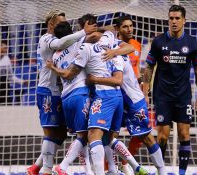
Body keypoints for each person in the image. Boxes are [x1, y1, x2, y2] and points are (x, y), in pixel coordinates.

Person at [46, 27, 148, 175]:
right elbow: (126, 44)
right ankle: (128, 168)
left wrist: (52, 68)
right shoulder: (111, 46)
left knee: (90, 135)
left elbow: (68, 74)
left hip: (93, 96)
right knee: (105, 138)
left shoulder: (75, 50)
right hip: (113, 97)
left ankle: (68, 168)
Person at [26, 9, 97, 175]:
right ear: (51, 24)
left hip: (60, 92)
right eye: (60, 23)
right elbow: (60, 44)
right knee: (51, 131)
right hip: (47, 91)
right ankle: (46, 169)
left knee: (61, 133)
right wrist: (83, 32)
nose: (64, 26)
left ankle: (37, 166)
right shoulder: (47, 39)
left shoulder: (62, 46)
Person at [88, 38, 166, 175]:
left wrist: (94, 79)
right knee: (107, 136)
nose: (129, 29)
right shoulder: (113, 49)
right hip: (118, 101)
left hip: (133, 102)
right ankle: (120, 169)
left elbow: (118, 80)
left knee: (147, 138)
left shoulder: (116, 56)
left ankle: (162, 170)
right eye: (125, 26)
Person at [143, 4, 197, 175]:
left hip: (183, 96)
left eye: (177, 18)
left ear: (184, 20)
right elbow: (149, 68)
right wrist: (145, 92)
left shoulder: (192, 42)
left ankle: (182, 173)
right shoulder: (159, 41)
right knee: (162, 136)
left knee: (184, 135)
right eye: (171, 18)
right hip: (162, 96)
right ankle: (162, 171)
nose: (174, 21)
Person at [113, 15, 143, 174]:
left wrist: (143, 85)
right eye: (125, 26)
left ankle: (124, 162)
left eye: (131, 26)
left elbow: (136, 69)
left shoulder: (137, 45)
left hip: (132, 95)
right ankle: (109, 168)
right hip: (116, 93)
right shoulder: (111, 44)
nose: (129, 29)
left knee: (140, 133)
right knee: (111, 134)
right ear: (118, 29)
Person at [0, 40, 26, 105]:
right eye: (4, 48)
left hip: (4, 87)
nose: (6, 49)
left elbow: (10, 77)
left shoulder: (7, 59)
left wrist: (22, 81)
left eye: (6, 48)